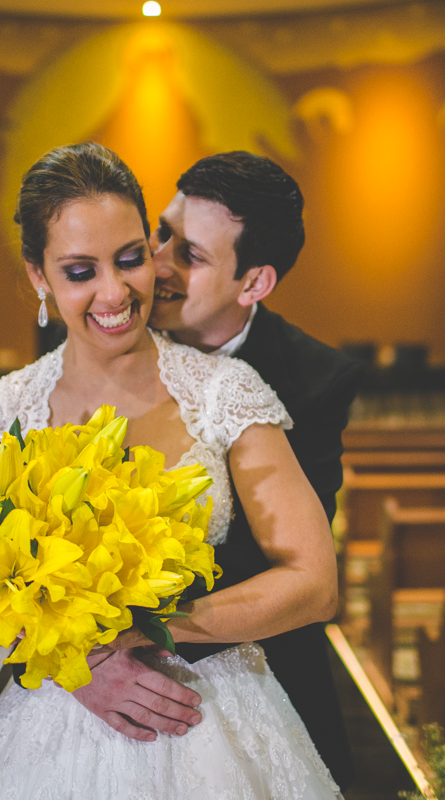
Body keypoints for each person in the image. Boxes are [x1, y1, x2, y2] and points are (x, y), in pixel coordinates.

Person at [0, 142, 343, 799]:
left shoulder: (226, 392)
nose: (114, 291)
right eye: (79, 270)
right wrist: (77, 663)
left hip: (210, 714)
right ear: (38, 276)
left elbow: (315, 582)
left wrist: (136, 633)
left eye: (129, 259)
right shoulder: (2, 407)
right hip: (53, 727)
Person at [70, 152, 361, 788]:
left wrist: (136, 635)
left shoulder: (311, 380)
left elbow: (284, 567)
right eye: (162, 233)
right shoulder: (93, 325)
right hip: (83, 677)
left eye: (191, 256)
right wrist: (78, 654)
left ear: (254, 283)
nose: (158, 265)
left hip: (247, 666)